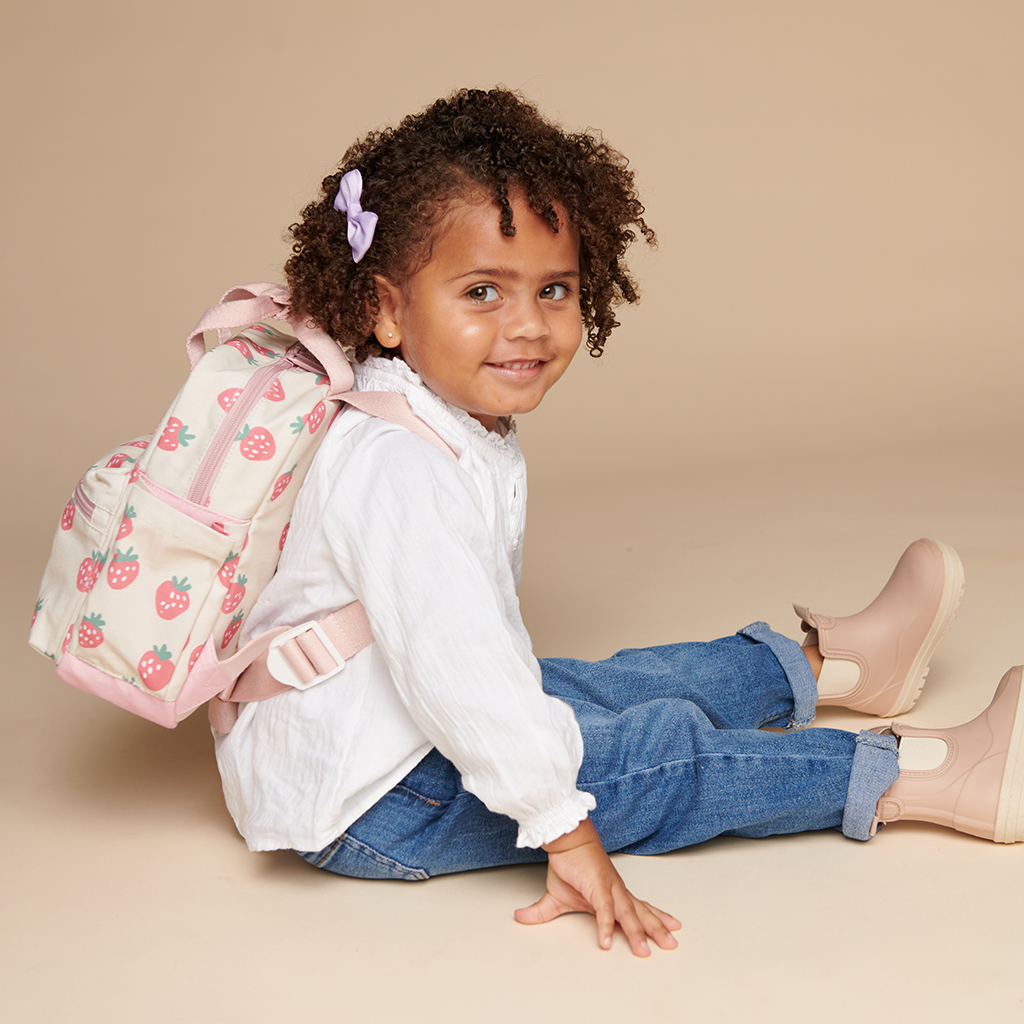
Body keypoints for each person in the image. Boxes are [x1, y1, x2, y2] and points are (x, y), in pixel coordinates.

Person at [213, 87, 1024, 957]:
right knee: (661, 756)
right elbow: (465, 680)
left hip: (376, 726)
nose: (526, 325)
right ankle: (931, 776)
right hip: (374, 802)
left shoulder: (439, 414)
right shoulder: (399, 465)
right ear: (385, 308)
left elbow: (471, 658)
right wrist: (565, 831)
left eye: (553, 289)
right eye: (482, 290)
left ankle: (838, 669)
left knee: (604, 687)